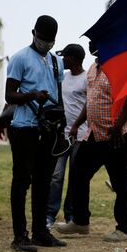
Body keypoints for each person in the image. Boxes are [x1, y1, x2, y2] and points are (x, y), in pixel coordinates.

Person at [56, 41, 127, 242]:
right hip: (94, 134)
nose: (93, 46)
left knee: (120, 183)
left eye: (97, 43)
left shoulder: (121, 66)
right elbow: (91, 100)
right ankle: (80, 222)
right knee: (78, 174)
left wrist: (118, 125)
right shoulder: (93, 68)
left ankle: (123, 229)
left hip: (117, 136)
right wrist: (77, 124)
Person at [5, 15, 67, 252]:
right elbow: (9, 96)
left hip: (49, 129)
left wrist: (61, 122)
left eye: (51, 40)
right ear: (34, 33)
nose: (47, 43)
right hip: (24, 128)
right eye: (43, 38)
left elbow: (58, 94)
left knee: (43, 181)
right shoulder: (20, 58)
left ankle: (41, 231)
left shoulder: (55, 61)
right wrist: (32, 95)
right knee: (22, 182)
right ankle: (20, 236)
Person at [45, 44, 88, 228]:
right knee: (56, 176)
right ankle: (49, 215)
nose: (63, 60)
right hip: (62, 136)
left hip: (80, 135)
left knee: (75, 178)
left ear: (74, 58)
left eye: (66, 57)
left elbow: (89, 105)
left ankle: (71, 215)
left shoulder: (87, 78)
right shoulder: (63, 77)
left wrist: (79, 127)